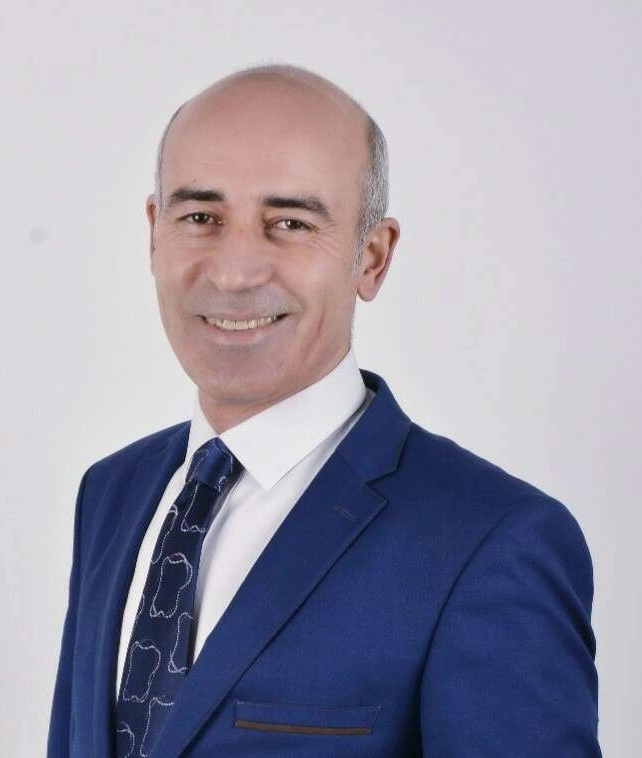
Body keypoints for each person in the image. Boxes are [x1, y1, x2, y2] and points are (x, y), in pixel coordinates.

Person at [47, 63, 601, 758]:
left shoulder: (489, 542)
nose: (234, 272)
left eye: (289, 223)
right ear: (154, 233)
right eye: (200, 218)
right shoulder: (112, 491)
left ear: (372, 258)